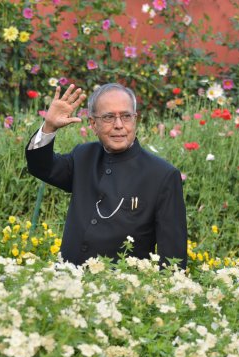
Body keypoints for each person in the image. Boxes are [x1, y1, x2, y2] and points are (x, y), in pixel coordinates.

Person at [25, 82, 187, 269]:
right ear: (93, 124)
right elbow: (41, 167)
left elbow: (173, 257)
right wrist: (49, 126)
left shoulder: (162, 175)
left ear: (135, 120)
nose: (119, 125)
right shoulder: (83, 156)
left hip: (120, 292)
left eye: (126, 116)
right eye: (109, 117)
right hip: (68, 286)